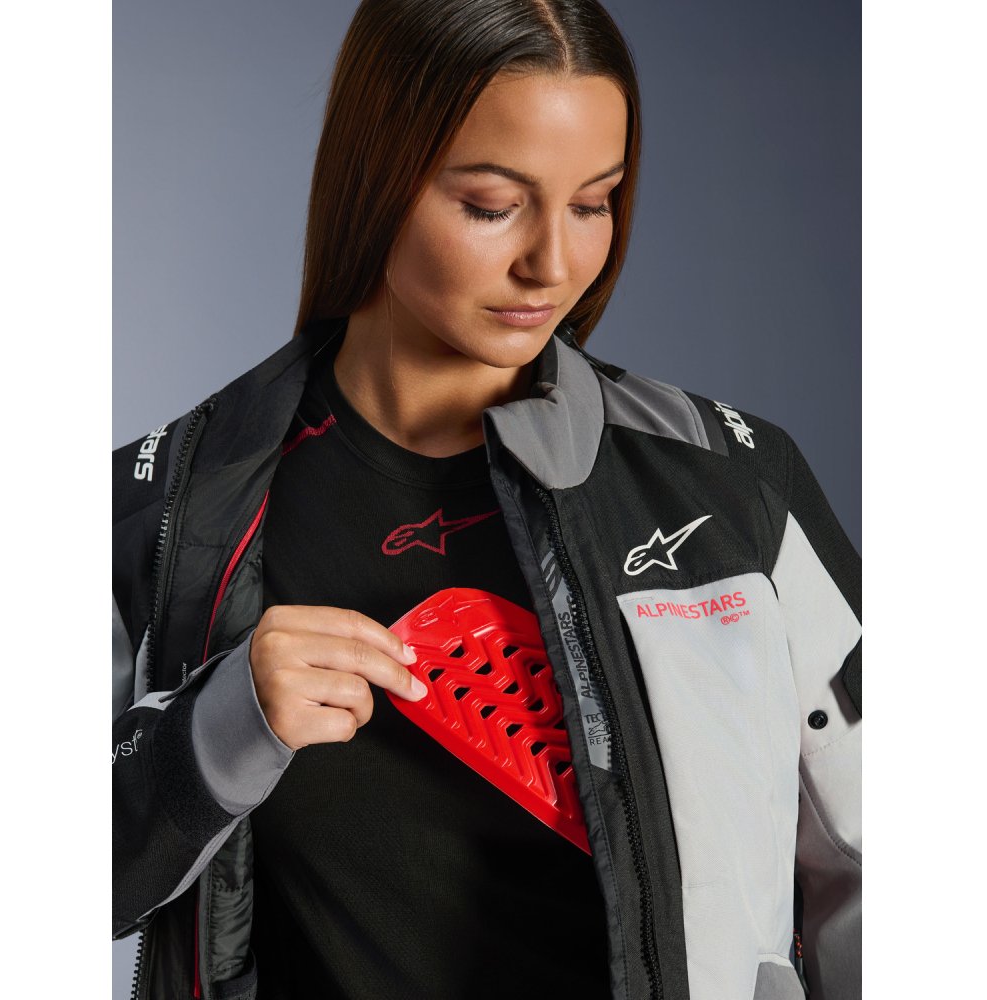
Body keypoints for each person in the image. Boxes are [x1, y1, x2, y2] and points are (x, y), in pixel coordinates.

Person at [112, 1, 861, 998]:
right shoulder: (156, 513)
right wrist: (214, 734)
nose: (552, 263)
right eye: (492, 204)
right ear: (374, 180)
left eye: (593, 203)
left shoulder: (733, 480)